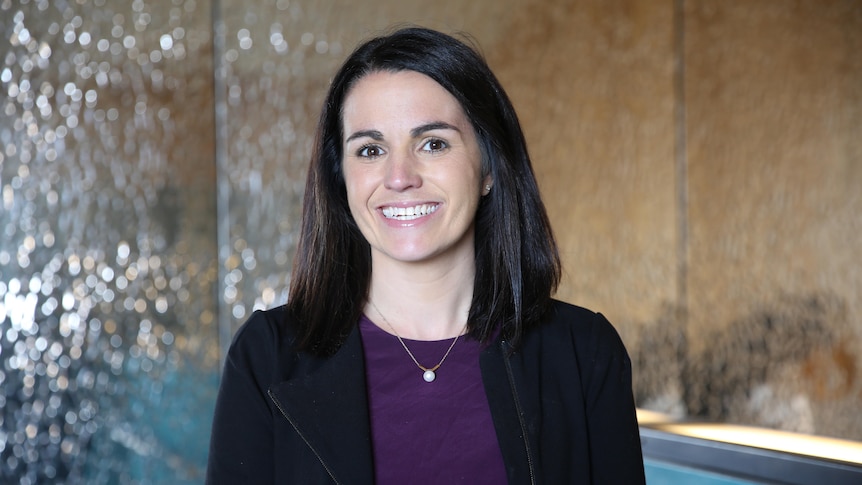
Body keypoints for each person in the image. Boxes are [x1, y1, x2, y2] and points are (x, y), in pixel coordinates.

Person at [206, 26, 645, 484]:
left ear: (490, 167)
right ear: (342, 180)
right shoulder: (267, 358)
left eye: (433, 143)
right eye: (370, 149)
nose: (399, 177)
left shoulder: (582, 353)